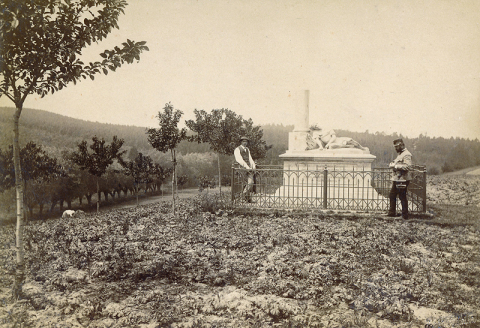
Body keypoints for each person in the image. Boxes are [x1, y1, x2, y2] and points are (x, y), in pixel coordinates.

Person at [387, 138, 413, 219]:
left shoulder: (407, 154)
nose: (395, 149)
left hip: (403, 179)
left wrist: (395, 166)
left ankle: (404, 215)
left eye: (397, 147)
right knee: (392, 195)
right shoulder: (400, 154)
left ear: (401, 145)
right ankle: (392, 213)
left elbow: (407, 166)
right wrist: (393, 164)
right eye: (395, 147)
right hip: (398, 178)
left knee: (402, 196)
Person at [234, 136, 256, 202]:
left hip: (248, 168)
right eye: (243, 141)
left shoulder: (247, 149)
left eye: (246, 141)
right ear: (241, 142)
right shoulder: (237, 149)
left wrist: (253, 166)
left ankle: (244, 197)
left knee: (250, 182)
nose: (245, 143)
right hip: (242, 168)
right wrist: (246, 167)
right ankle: (245, 198)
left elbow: (250, 159)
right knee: (243, 183)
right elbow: (239, 159)